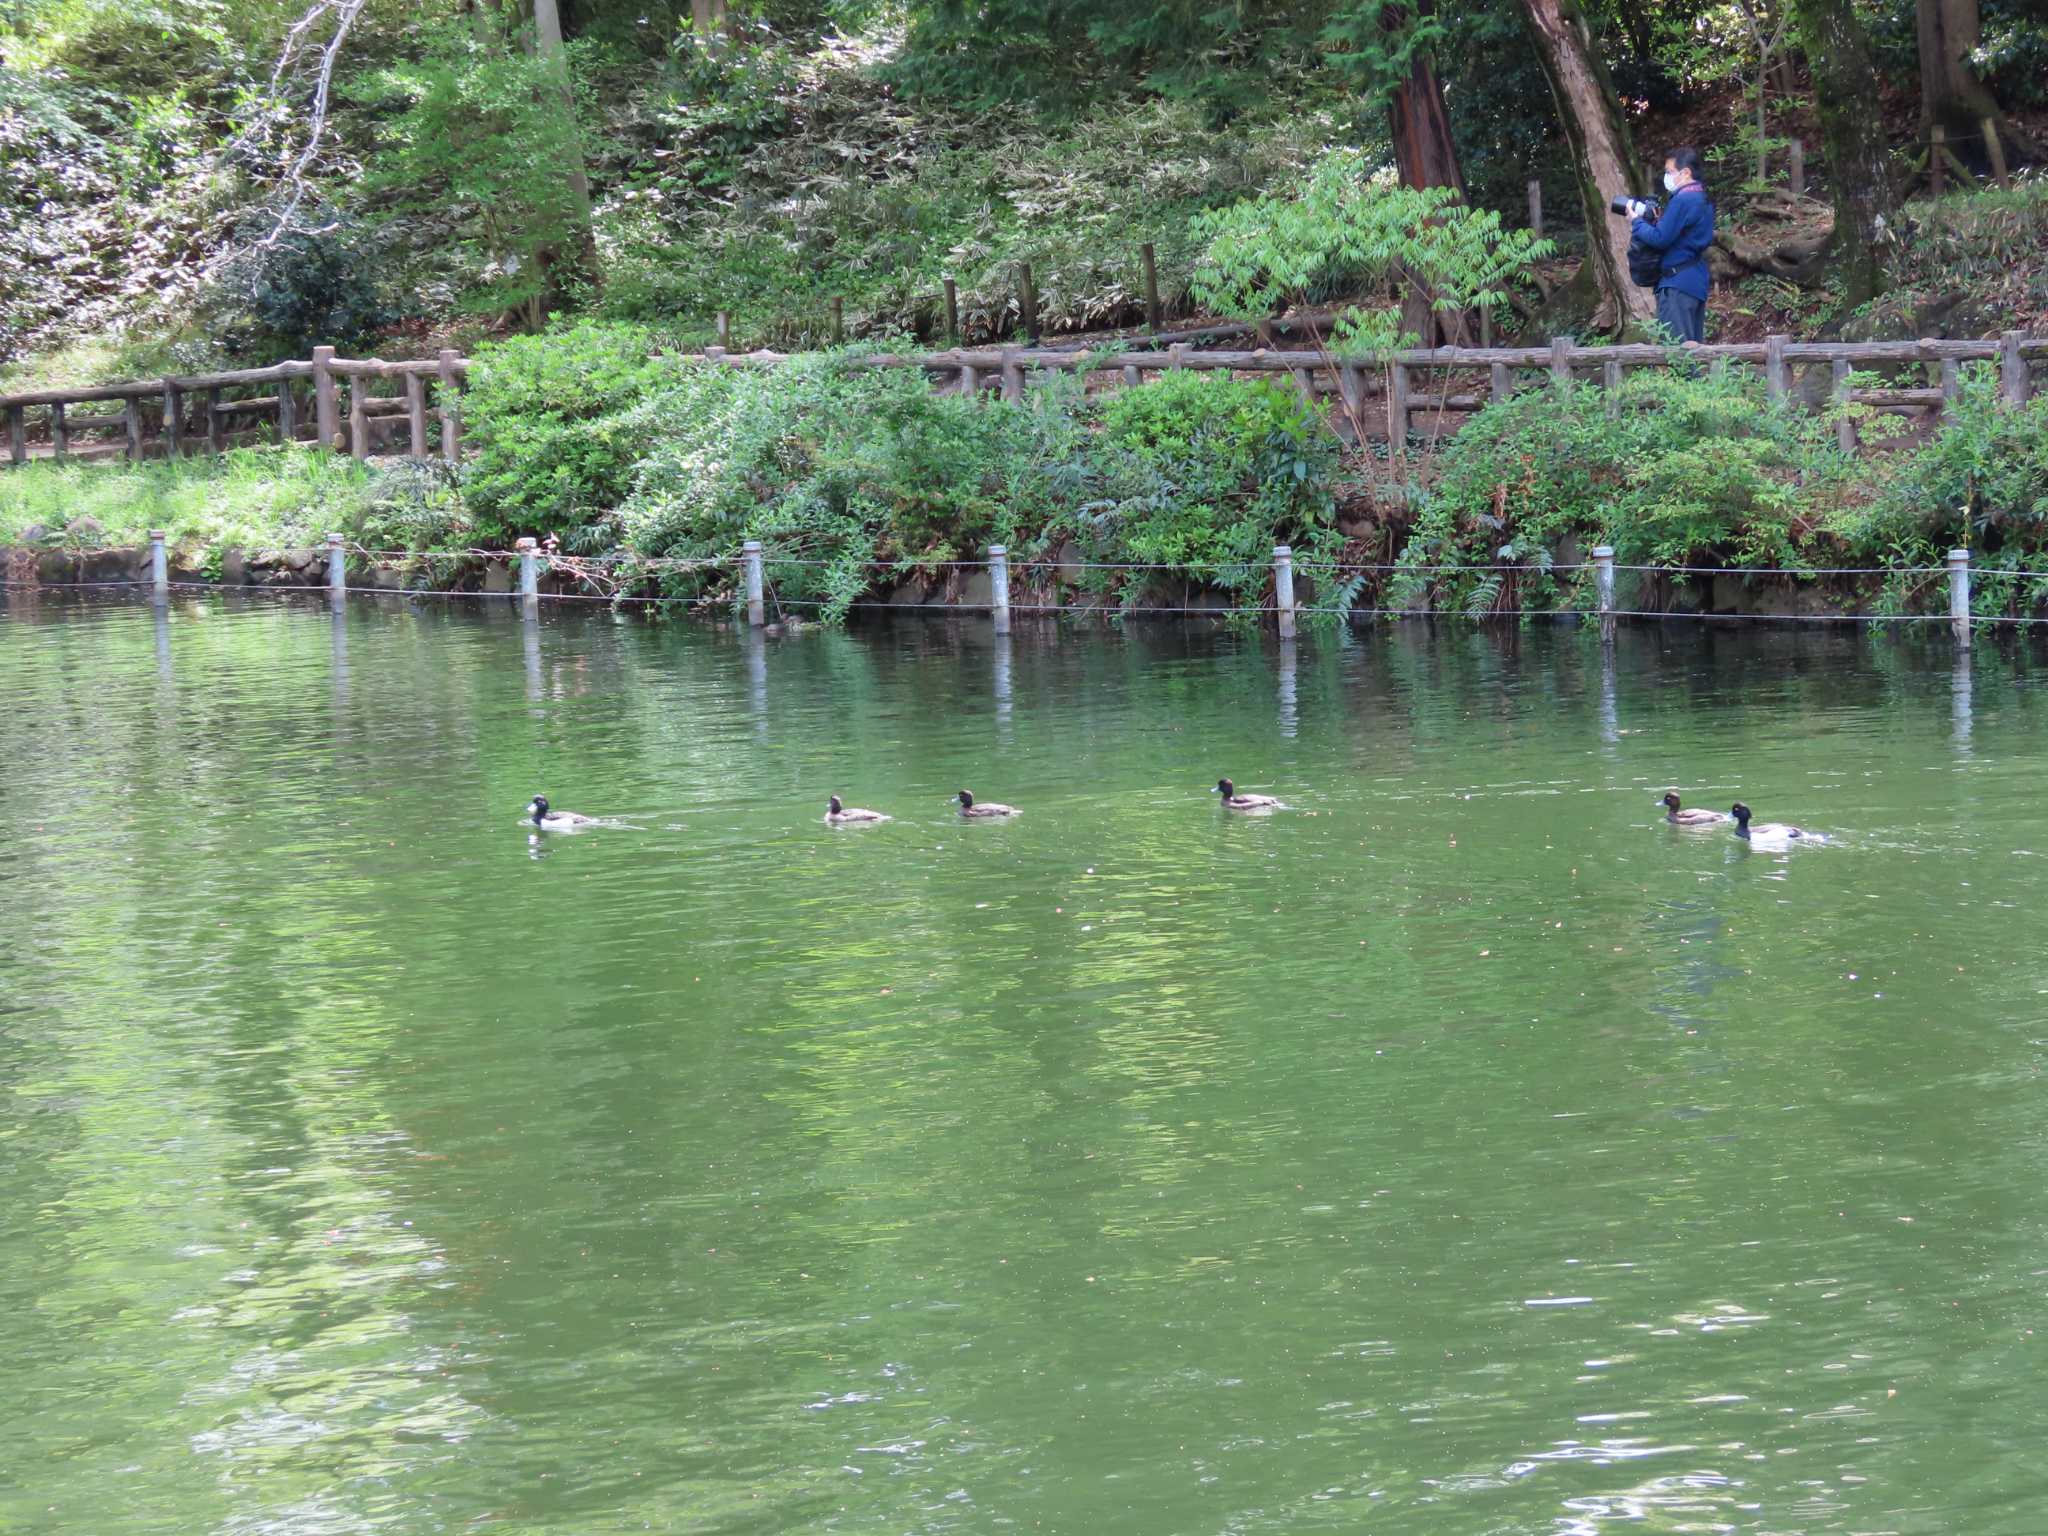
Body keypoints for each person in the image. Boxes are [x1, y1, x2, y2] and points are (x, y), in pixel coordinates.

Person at [1626, 147, 1715, 344]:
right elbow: (1682, 236)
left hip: (1677, 284)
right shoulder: (1703, 198)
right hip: (1695, 280)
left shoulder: (1683, 199)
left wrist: (1636, 222)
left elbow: (1660, 239)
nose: (1666, 177)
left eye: (1669, 172)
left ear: (1685, 173)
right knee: (1693, 350)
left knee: (1677, 354)